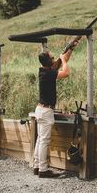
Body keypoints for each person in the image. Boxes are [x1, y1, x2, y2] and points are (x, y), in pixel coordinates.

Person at [33, 50, 72, 178]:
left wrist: (69, 50)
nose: (54, 59)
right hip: (45, 111)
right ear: (48, 61)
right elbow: (66, 73)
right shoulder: (48, 73)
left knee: (40, 140)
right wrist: (64, 60)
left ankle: (37, 166)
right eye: (52, 57)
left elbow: (57, 65)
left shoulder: (44, 71)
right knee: (44, 141)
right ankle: (43, 170)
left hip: (41, 109)